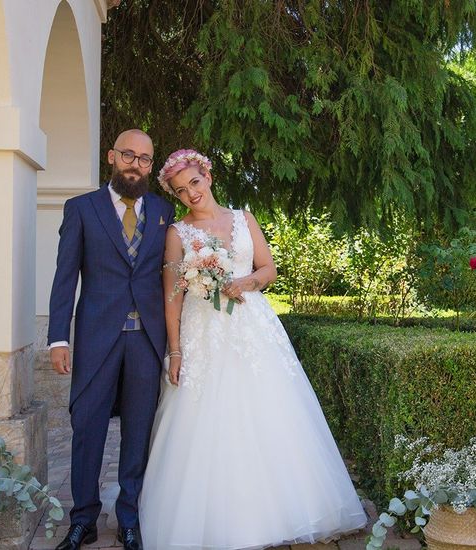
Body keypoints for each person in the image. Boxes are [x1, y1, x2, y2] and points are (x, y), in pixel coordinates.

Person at [138, 149, 367, 549]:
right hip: (203, 332)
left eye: (194, 182)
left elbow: (268, 269)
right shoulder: (178, 234)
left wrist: (244, 283)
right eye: (180, 190)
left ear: (207, 176)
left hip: (252, 328)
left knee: (270, 411)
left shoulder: (244, 218)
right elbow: (171, 298)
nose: (190, 193)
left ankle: (282, 511)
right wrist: (175, 351)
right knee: (206, 418)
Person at [48, 130, 175, 550]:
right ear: (111, 157)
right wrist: (57, 339)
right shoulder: (81, 209)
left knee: (138, 431)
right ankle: (83, 519)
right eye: (128, 155)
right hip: (96, 336)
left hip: (146, 340)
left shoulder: (162, 210)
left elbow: (170, 276)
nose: (135, 164)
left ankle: (129, 517)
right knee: (88, 427)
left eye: (144, 159)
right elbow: (65, 277)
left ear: (150, 167)